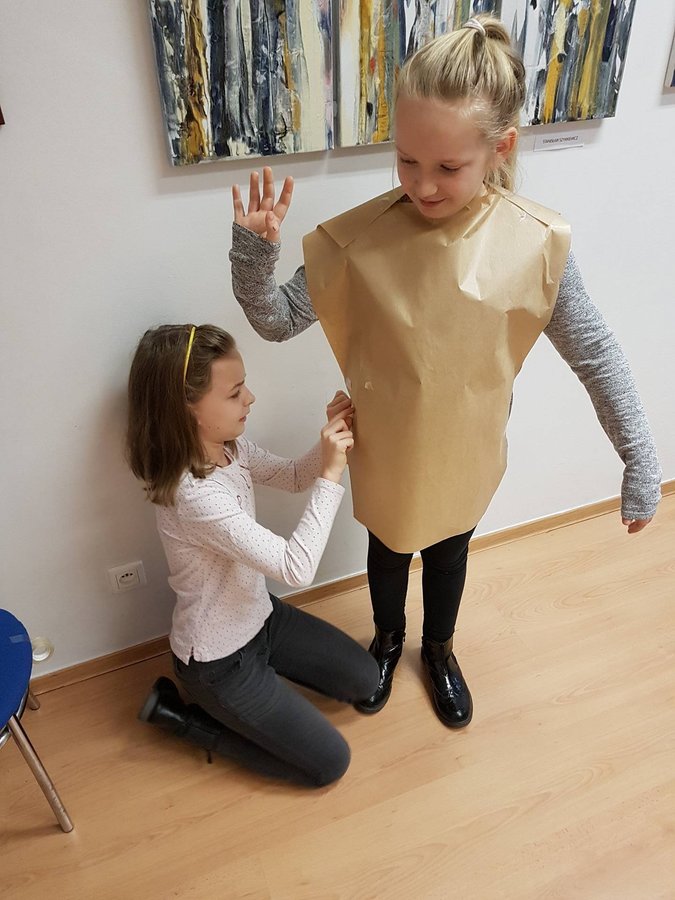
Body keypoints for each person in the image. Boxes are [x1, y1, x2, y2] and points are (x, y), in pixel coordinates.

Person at [228, 16, 661, 730]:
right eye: (406, 160)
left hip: (466, 449)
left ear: (500, 148)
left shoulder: (533, 244)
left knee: (449, 550)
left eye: (448, 167)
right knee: (389, 548)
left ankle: (438, 649)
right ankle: (387, 640)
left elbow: (595, 353)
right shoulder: (360, 240)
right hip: (386, 449)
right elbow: (276, 320)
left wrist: (638, 457)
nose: (422, 185)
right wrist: (253, 256)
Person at [126, 324, 379, 787]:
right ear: (186, 408)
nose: (251, 398)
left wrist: (329, 438)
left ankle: (259, 694)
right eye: (235, 392)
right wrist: (332, 476)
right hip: (218, 663)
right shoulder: (194, 494)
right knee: (329, 764)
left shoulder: (231, 449)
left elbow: (294, 476)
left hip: (261, 618)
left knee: (365, 680)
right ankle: (183, 720)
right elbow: (296, 568)